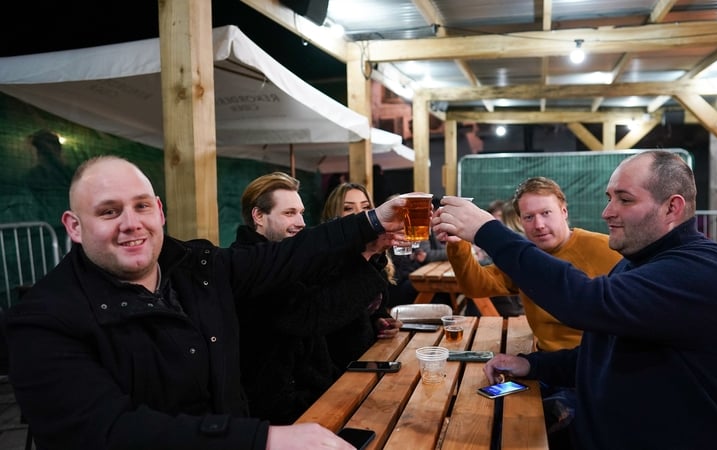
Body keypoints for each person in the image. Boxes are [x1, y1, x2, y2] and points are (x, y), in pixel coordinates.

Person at [5, 156, 412, 450]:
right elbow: (104, 431)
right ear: (74, 227)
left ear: (160, 211)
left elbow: (287, 255)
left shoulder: (197, 267)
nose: (131, 223)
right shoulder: (41, 320)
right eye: (109, 212)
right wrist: (263, 438)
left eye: (141, 206)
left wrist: (372, 223)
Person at [433, 150, 717, 449]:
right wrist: (534, 366)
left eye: (624, 200)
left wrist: (487, 231)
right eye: (610, 198)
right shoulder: (639, 264)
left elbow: (585, 302)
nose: (607, 212)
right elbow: (604, 352)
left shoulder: (708, 271)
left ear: (672, 208)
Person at [233, 172, 399, 424]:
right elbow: (313, 314)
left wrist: (376, 315)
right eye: (289, 213)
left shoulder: (289, 256)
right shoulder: (248, 265)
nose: (300, 222)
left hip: (319, 392)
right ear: (258, 216)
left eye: (301, 212)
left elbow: (335, 299)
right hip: (283, 415)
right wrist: (368, 253)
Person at [449, 177, 621, 351]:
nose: (539, 225)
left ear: (564, 211)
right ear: (520, 221)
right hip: (544, 359)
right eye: (529, 217)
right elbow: (476, 287)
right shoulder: (524, 258)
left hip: (595, 363)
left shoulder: (608, 250)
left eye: (546, 213)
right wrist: (457, 244)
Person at [320, 182, 403, 370]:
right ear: (334, 217)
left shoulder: (374, 252)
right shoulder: (327, 257)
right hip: (341, 367)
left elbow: (369, 308)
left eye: (366, 207)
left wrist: (379, 321)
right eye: (348, 208)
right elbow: (335, 318)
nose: (360, 213)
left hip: (371, 355)